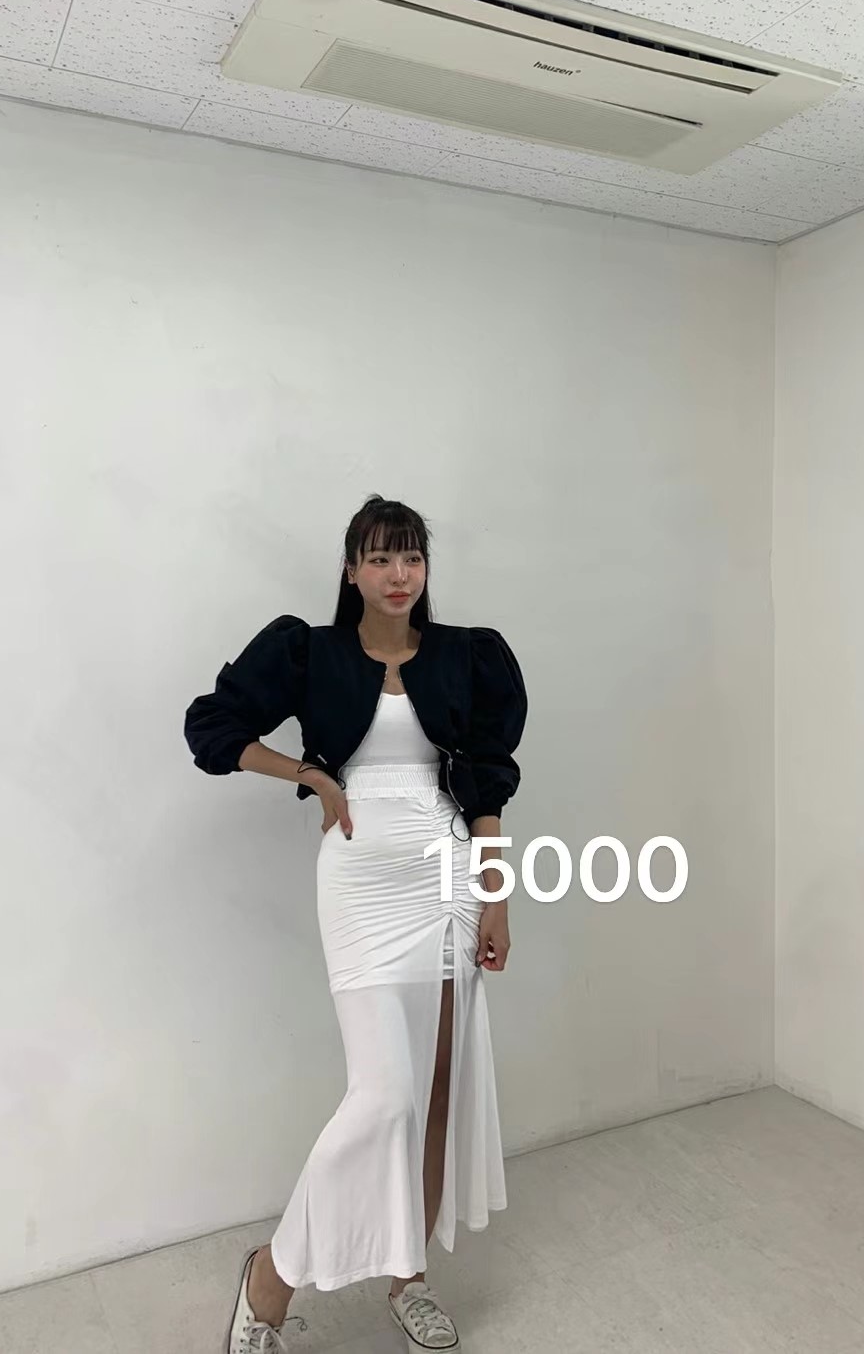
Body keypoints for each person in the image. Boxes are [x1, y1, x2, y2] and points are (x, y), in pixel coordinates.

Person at [184, 495, 527, 1354]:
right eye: (379, 558)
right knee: (385, 1093)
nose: (398, 574)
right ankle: (270, 1276)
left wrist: (496, 894)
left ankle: (409, 1277)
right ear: (351, 570)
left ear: (425, 567)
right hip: (361, 877)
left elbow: (486, 785)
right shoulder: (312, 651)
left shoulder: (466, 655)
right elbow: (212, 726)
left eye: (410, 557)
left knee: (434, 1091)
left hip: (446, 874)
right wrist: (310, 774)